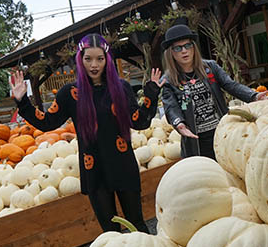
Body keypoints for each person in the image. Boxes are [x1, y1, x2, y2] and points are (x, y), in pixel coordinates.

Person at [9, 33, 165, 233]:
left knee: (137, 225)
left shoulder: (121, 88)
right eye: (88, 59)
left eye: (99, 59)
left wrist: (151, 94)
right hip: (94, 170)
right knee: (110, 233)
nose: (94, 64)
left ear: (107, 59)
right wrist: (22, 102)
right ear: (80, 60)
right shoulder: (70, 93)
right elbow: (48, 122)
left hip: (123, 164)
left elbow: (139, 122)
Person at [160, 24, 267, 159]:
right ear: (171, 53)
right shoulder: (168, 80)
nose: (184, 51)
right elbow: (170, 107)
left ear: (193, 47)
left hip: (222, 132)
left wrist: (253, 95)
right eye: (178, 48)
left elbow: (230, 85)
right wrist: (178, 123)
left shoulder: (210, 67)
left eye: (188, 45)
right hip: (196, 140)